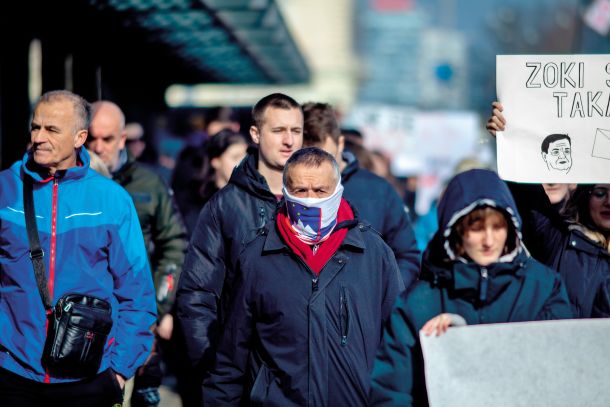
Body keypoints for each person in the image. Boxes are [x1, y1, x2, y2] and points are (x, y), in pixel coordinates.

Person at [204, 147, 403, 406]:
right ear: (285, 192)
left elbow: (398, 345)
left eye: (320, 191)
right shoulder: (257, 257)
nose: (310, 199)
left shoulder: (373, 253)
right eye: (300, 191)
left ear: (337, 191)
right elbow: (232, 354)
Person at [0, 90, 156, 406]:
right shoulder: (5, 190)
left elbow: (137, 294)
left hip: (90, 376)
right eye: (35, 127)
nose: (38, 137)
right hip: (12, 373)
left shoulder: (112, 200)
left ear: (79, 137)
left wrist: (119, 370)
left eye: (51, 129)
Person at [369, 169, 573, 407]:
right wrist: (441, 344)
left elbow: (560, 369)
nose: (489, 240)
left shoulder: (544, 288)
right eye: (477, 228)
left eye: (497, 227)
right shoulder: (419, 302)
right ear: (456, 230)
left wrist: (466, 341)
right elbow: (392, 391)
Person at [175, 93, 303, 402]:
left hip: (302, 374)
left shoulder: (315, 202)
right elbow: (196, 293)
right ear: (256, 135)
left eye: (296, 131)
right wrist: (211, 365)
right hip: (243, 375)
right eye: (278, 130)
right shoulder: (226, 205)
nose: (288, 141)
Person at [87, 100, 188, 406]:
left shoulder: (150, 183)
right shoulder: (67, 184)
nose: (98, 146)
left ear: (122, 139)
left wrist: (157, 306)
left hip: (135, 314)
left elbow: (174, 243)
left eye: (107, 138)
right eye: (91, 137)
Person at [486, 102, 610, 318]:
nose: (609, 202)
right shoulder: (561, 243)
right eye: (600, 193)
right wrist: (512, 141)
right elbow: (531, 198)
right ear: (585, 196)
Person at [301, 102, 420, 287]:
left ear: (340, 144)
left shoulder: (378, 190)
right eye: (306, 156)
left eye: (323, 155)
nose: (315, 165)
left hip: (368, 310)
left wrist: (383, 297)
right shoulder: (288, 192)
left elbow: (406, 255)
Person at [173, 129, 248, 237]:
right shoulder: (199, 203)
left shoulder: (254, 197)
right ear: (216, 161)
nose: (243, 164)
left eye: (246, 157)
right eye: (235, 157)